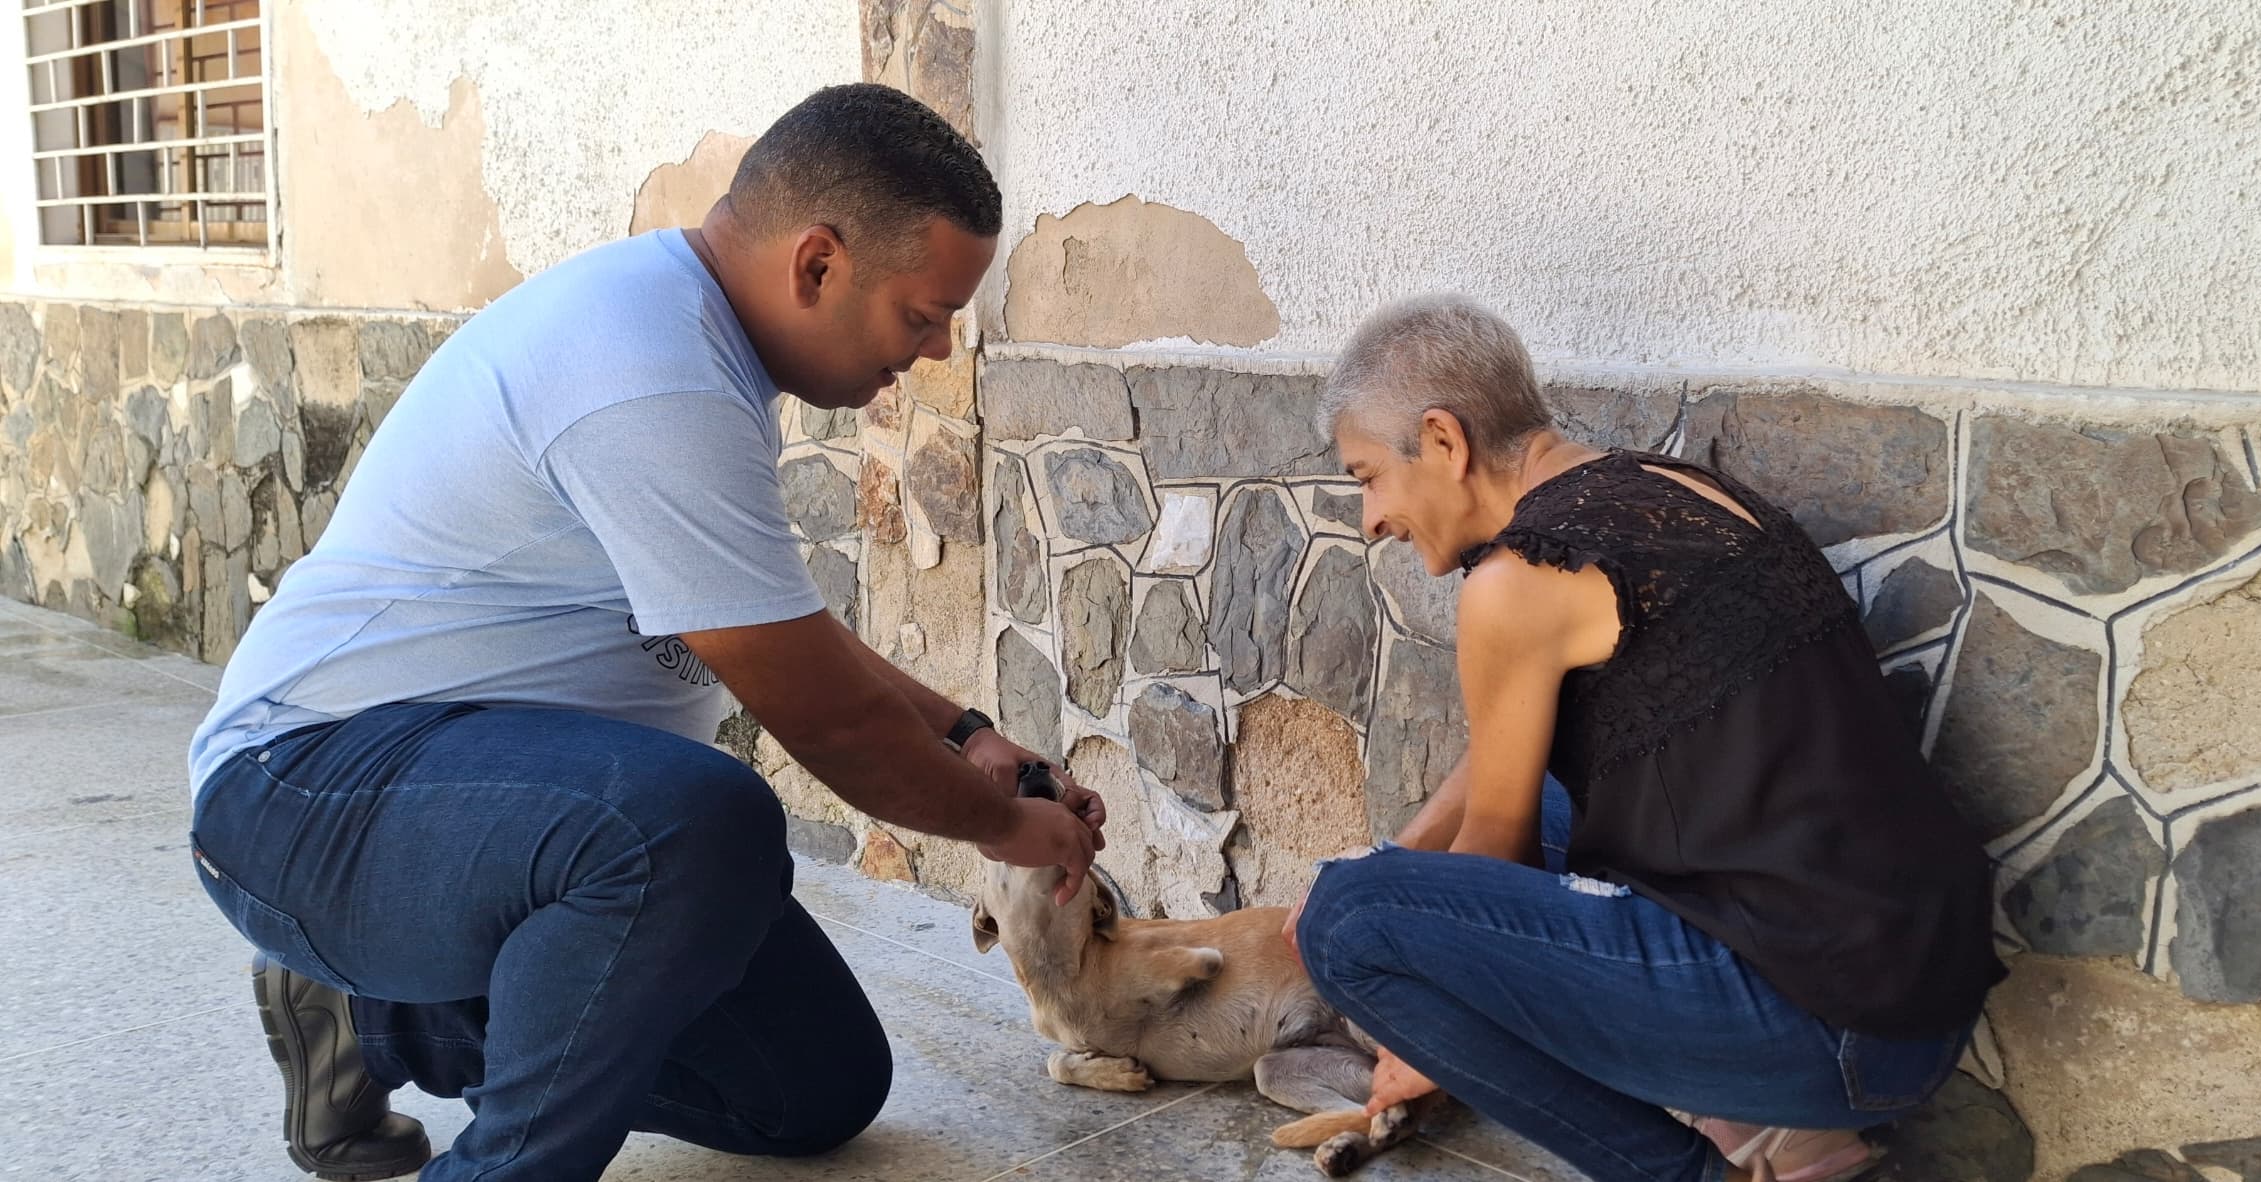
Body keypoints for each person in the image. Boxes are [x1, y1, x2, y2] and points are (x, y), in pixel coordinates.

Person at [186, 84, 1104, 1182]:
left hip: (490, 817)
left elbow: (785, 633)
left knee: (813, 1085)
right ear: (818, 265)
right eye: (922, 314)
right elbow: (827, 720)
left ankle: (372, 1013)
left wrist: (965, 736)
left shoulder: (694, 341)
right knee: (692, 827)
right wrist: (1002, 826)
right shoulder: (645, 364)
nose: (939, 347)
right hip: (302, 790)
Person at [1285, 296, 2005, 1182]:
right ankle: (1774, 1126)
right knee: (1542, 797)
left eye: (1368, 477)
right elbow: (1508, 757)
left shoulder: (1517, 580)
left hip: (1834, 1033)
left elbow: (1496, 857)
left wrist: (1425, 1027)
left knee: (1348, 922)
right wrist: (1402, 858)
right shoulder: (1670, 488)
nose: (1371, 519)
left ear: (1443, 440)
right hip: (1913, 989)